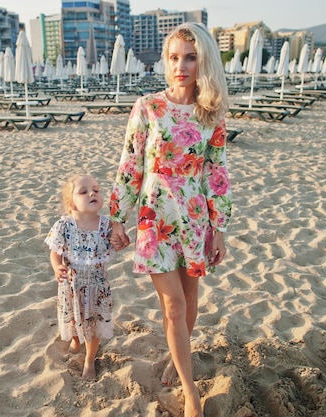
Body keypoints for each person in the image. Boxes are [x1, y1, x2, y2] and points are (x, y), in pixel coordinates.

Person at [109, 22, 233, 417]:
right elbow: (130, 165)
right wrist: (117, 218)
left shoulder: (210, 113)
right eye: (174, 57)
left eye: (190, 57)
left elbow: (217, 174)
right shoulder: (148, 106)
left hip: (195, 218)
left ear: (204, 62)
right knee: (174, 306)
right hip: (154, 218)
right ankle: (189, 388)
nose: (181, 65)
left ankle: (174, 357)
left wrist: (220, 228)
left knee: (190, 302)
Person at [45, 174, 114, 379]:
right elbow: (54, 251)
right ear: (71, 204)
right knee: (74, 319)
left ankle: (90, 360)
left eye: (96, 189)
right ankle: (75, 339)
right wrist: (57, 267)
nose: (92, 193)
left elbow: (117, 243)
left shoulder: (106, 225)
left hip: (97, 286)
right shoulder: (64, 225)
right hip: (72, 285)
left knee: (93, 324)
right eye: (83, 192)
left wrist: (120, 241)